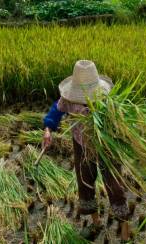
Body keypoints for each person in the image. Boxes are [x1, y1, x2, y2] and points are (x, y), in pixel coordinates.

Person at [42, 60, 130, 242]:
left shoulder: (106, 99)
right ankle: (96, 221)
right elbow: (55, 112)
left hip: (106, 145)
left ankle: (124, 225)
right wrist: (48, 130)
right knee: (85, 180)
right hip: (81, 145)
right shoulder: (68, 99)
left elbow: (121, 120)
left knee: (114, 183)